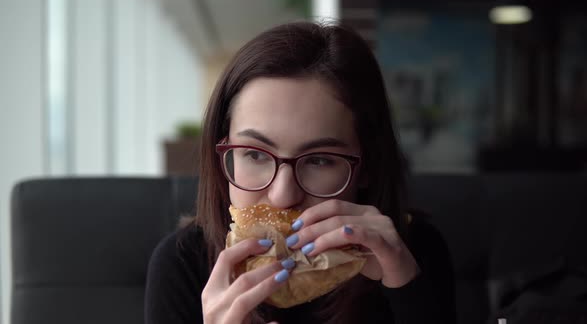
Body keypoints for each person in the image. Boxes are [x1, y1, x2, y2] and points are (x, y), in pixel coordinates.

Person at [145, 21, 456, 324]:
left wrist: (408, 291)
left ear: (367, 167)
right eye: (255, 154)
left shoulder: (414, 251)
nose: (282, 196)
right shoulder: (182, 263)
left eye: (319, 160)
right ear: (224, 154)